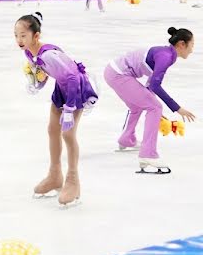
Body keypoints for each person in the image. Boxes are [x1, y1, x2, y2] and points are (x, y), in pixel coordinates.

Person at [15, 13, 97, 208]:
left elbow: (73, 77)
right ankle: (55, 176)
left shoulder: (48, 54)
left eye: (23, 35)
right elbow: (43, 74)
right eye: (16, 35)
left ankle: (73, 181)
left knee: (68, 134)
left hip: (77, 89)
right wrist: (36, 84)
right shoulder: (29, 52)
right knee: (52, 130)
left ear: (36, 36)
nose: (19, 40)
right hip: (61, 89)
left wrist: (69, 109)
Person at [103, 28, 195, 173]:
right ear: (182, 44)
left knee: (141, 106)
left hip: (113, 72)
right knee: (155, 107)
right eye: (192, 45)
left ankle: (127, 138)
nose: (192, 50)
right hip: (118, 74)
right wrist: (177, 108)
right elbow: (155, 85)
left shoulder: (167, 54)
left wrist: (154, 109)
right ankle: (148, 154)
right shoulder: (166, 56)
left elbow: (151, 84)